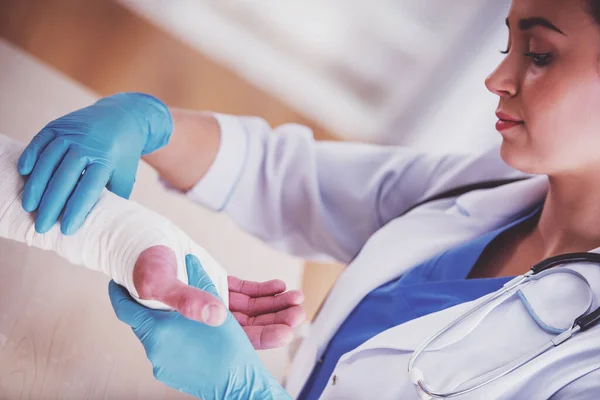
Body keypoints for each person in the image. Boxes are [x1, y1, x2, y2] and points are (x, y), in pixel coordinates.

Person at [17, 0, 600, 398]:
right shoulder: (492, 189)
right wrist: (148, 122)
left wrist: (246, 391)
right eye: (508, 45)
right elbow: (290, 180)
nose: (497, 77)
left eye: (539, 54)